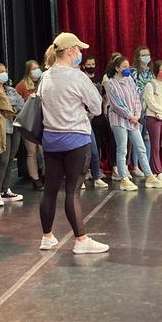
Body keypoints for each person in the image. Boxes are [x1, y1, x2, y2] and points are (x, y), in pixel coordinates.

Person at [38, 32, 109, 254]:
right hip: (75, 139)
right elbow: (97, 108)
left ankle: (47, 237)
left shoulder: (45, 76)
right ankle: (81, 240)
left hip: (50, 140)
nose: (80, 54)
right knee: (72, 191)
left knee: (49, 191)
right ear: (70, 52)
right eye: (78, 50)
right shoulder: (78, 77)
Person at [105, 55, 162, 191]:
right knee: (122, 149)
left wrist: (137, 114)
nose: (127, 70)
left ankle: (149, 176)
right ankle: (124, 179)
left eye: (128, 67)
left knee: (141, 147)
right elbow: (116, 104)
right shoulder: (111, 84)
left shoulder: (130, 81)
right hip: (119, 121)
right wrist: (129, 115)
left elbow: (136, 98)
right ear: (117, 68)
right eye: (124, 67)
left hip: (133, 119)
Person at [0, 62, 25, 205]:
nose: (4, 74)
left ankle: (5, 189)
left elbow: (21, 104)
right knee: (2, 160)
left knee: (10, 159)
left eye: (5, 71)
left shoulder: (10, 90)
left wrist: (9, 107)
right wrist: (8, 106)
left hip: (14, 126)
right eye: (1, 71)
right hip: (1, 127)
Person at [15, 60, 45, 190]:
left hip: (43, 121)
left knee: (44, 151)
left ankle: (46, 175)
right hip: (28, 123)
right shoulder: (21, 86)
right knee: (32, 152)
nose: (36, 71)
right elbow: (16, 104)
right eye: (33, 69)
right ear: (28, 71)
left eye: (38, 68)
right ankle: (35, 179)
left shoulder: (43, 83)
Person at [81, 55, 109, 189]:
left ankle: (97, 176)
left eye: (93, 64)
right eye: (89, 64)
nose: (91, 66)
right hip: (80, 119)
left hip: (94, 117)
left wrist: (100, 110)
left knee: (94, 149)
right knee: (80, 151)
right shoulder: (79, 80)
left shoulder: (97, 80)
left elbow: (101, 98)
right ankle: (80, 177)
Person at [129, 46, 154, 177]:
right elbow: (131, 91)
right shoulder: (133, 72)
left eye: (147, 54)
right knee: (137, 138)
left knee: (147, 138)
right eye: (143, 55)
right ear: (138, 57)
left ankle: (147, 166)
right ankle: (135, 166)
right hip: (137, 110)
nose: (146, 57)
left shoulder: (151, 73)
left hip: (149, 110)